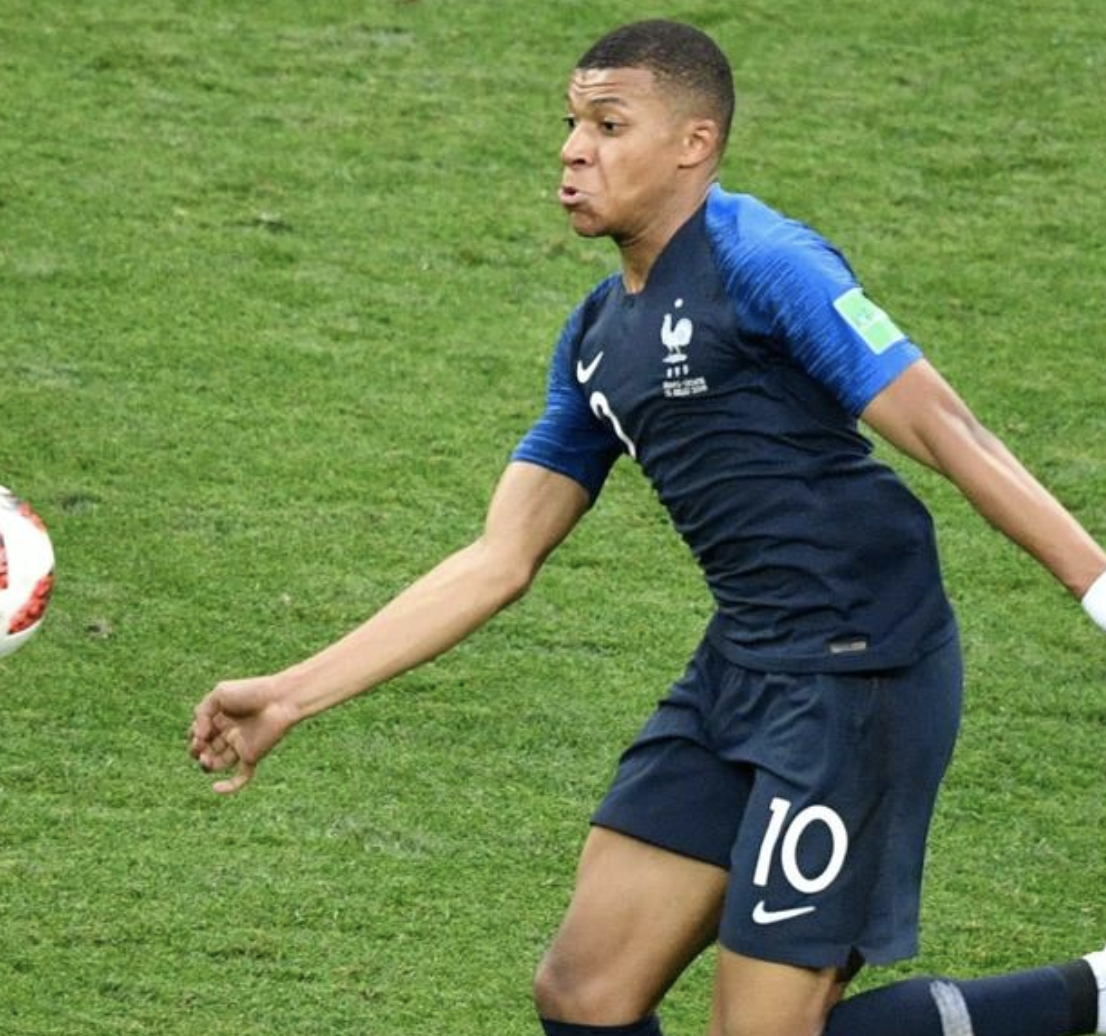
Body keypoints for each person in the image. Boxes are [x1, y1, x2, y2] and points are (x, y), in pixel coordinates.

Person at [190, 19, 1106, 1036]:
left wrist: (1098, 587)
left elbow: (947, 429)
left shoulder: (764, 262)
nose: (572, 151)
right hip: (741, 664)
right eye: (570, 124)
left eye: (608, 125)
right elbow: (498, 557)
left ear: (693, 144)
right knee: (583, 993)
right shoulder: (595, 338)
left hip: (862, 673)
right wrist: (291, 694)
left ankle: (1088, 994)